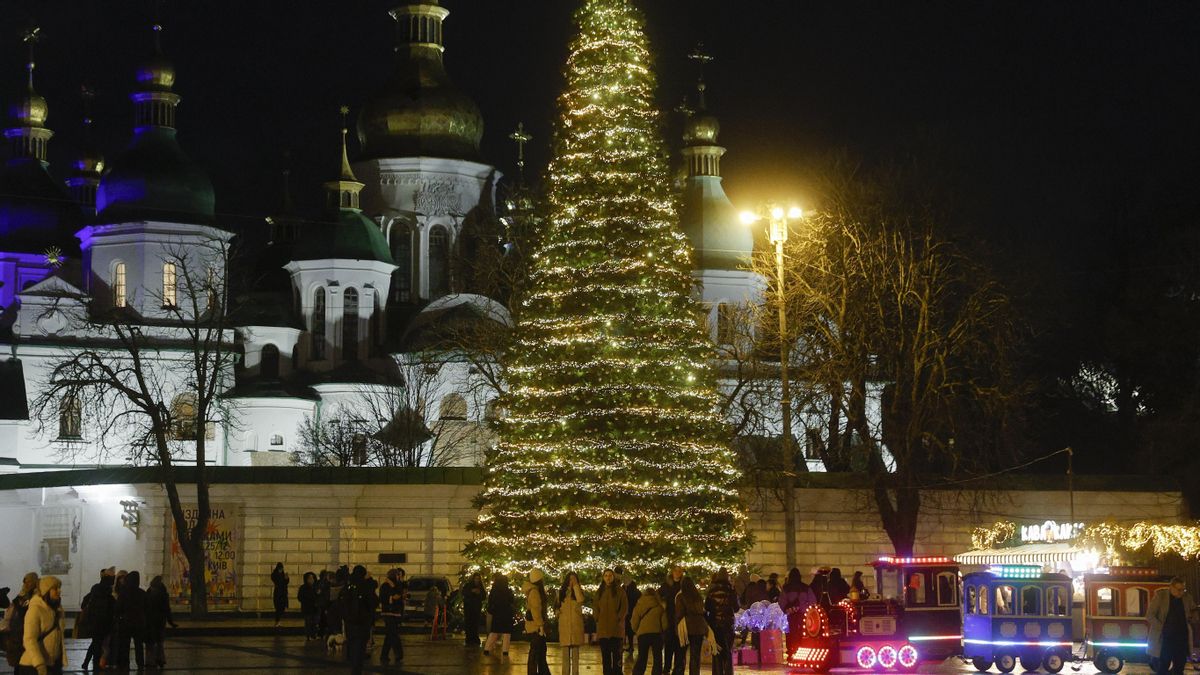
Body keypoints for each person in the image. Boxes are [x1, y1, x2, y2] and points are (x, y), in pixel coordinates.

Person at [1148, 577, 1198, 675]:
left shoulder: (1187, 597)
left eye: (1183, 589)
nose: (1181, 592)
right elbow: (1150, 615)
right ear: (1171, 587)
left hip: (1182, 639)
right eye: (1179, 590)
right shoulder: (1161, 596)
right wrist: (1162, 627)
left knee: (1180, 667)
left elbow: (1194, 610)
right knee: (1163, 667)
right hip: (1165, 639)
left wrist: (1194, 616)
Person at [18, 575, 64, 675]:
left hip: (53, 665)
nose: (59, 591)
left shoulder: (56, 610)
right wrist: (39, 664)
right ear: (46, 591)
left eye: (59, 588)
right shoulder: (35, 609)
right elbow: (29, 639)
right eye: (55, 588)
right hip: (33, 666)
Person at [342, 565, 378, 675]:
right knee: (359, 649)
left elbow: (342, 604)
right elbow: (374, 602)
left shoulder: (348, 586)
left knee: (352, 647)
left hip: (350, 623)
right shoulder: (366, 586)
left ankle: (353, 667)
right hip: (362, 623)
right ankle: (356, 671)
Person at [705, 568, 738, 675]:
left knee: (717, 650)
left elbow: (707, 607)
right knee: (728, 650)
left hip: (715, 623)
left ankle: (717, 672)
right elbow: (736, 608)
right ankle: (728, 672)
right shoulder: (731, 590)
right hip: (728, 624)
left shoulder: (711, 590)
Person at [81, 568, 115, 672]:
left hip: (93, 622)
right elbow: (113, 609)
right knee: (97, 644)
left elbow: (84, 604)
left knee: (95, 643)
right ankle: (95, 666)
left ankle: (87, 663)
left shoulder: (94, 591)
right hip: (104, 624)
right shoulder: (108, 595)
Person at [596, 568, 628, 675]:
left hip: (616, 630)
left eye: (610, 575)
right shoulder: (600, 591)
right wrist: (597, 618)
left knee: (617, 658)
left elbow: (624, 607)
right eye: (606, 575)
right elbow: (595, 606)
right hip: (603, 630)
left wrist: (619, 619)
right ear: (603, 577)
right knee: (606, 658)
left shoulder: (620, 591)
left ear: (613, 577)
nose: (608, 578)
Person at [780, 568, 816, 663]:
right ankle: (802, 653)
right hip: (803, 615)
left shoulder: (786, 588)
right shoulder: (805, 587)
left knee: (790, 634)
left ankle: (791, 653)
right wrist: (805, 608)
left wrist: (786, 610)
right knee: (803, 634)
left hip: (790, 615)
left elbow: (782, 603)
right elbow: (813, 601)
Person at [674, 576, 707, 675]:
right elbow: (702, 610)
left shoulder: (681, 596)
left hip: (686, 628)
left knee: (681, 654)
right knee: (695, 655)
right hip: (698, 628)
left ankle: (680, 672)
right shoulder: (698, 596)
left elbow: (679, 613)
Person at [631, 586, 666, 675]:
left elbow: (634, 621)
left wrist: (637, 630)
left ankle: (638, 672)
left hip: (643, 635)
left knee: (642, 656)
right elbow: (665, 623)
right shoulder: (659, 606)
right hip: (656, 634)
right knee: (657, 658)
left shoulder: (639, 605)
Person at [115, 570, 147, 670]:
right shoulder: (142, 593)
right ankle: (140, 663)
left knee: (125, 644)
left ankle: (125, 663)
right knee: (138, 645)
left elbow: (118, 608)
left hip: (126, 622)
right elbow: (147, 608)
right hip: (139, 622)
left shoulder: (124, 593)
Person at [144, 575, 177, 668]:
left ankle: (150, 661)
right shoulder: (163, 594)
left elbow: (145, 607)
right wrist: (170, 621)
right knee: (159, 642)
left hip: (150, 621)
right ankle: (160, 659)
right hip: (160, 621)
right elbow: (167, 609)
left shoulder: (148, 593)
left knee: (150, 642)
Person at [523, 569, 551, 675]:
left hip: (534, 626)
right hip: (536, 627)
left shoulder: (532, 591)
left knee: (539, 652)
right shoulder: (535, 592)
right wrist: (540, 626)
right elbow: (536, 610)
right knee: (536, 653)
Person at [557, 572, 586, 675]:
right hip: (564, 626)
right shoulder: (561, 593)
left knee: (575, 655)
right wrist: (558, 612)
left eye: (574, 579)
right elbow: (556, 606)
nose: (571, 581)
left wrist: (576, 587)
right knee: (565, 656)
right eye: (570, 579)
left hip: (575, 626)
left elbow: (581, 600)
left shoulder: (578, 592)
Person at [659, 566, 685, 675]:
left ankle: (677, 669)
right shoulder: (666, 585)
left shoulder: (684, 585)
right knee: (669, 645)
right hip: (669, 618)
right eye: (675, 571)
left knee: (679, 646)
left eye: (680, 571)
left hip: (680, 619)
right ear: (672, 572)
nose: (677, 573)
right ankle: (667, 668)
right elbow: (658, 596)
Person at [378, 568, 405, 663]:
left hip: (394, 613)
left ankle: (384, 655)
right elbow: (395, 596)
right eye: (398, 575)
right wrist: (393, 591)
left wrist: (393, 587)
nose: (399, 577)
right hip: (389, 613)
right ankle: (398, 654)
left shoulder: (397, 585)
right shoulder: (386, 586)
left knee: (390, 634)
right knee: (393, 634)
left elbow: (398, 595)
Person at [483, 574, 514, 657]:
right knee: (507, 633)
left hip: (497, 613)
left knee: (494, 632)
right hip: (506, 613)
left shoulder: (494, 591)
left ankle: (487, 648)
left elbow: (491, 601)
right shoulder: (508, 591)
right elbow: (511, 601)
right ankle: (505, 651)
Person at [462, 572, 485, 647]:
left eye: (478, 579)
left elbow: (484, 596)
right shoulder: (468, 585)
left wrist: (479, 593)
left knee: (475, 623)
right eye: (476, 578)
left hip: (477, 607)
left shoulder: (481, 586)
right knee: (469, 622)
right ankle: (469, 638)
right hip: (469, 608)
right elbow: (464, 593)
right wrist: (472, 591)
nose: (477, 580)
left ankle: (475, 637)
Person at [298, 572, 319, 640]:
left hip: (315, 609)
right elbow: (300, 597)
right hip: (307, 608)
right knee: (308, 623)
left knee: (315, 622)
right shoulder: (303, 588)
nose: (311, 580)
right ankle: (308, 636)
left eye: (312, 578)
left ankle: (314, 635)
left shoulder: (316, 587)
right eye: (309, 578)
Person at [625, 579, 642, 654]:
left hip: (629, 613)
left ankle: (631, 646)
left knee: (629, 632)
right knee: (638, 631)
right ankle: (640, 646)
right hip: (637, 613)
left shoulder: (626, 592)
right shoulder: (638, 592)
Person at [271, 562, 290, 628]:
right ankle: (277, 621)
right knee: (278, 608)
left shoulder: (283, 574)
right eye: (279, 569)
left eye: (281, 568)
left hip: (283, 594)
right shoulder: (274, 574)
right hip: (278, 594)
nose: (281, 570)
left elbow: (286, 583)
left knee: (282, 608)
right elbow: (276, 581)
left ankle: (278, 621)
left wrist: (287, 578)